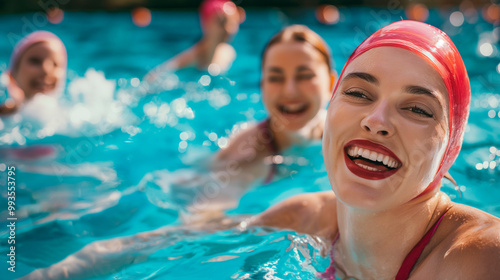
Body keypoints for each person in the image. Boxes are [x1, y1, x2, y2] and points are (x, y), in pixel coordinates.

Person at [18, 24, 335, 280]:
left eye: (305, 76)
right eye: (276, 78)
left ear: (332, 82)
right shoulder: (251, 152)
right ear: (262, 87)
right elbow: (200, 218)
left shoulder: (342, 133)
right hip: (179, 190)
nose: (290, 90)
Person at [251, 20, 500, 279]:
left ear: (450, 148)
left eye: (417, 109)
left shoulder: (481, 258)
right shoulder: (297, 221)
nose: (377, 121)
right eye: (359, 93)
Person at [144, 0, 244, 83]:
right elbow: (154, 75)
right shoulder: (192, 57)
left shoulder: (229, 53)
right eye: (222, 22)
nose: (228, 29)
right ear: (205, 24)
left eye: (233, 22)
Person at [0, 31, 67, 115]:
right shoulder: (5, 115)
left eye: (55, 64)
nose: (46, 70)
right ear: (12, 75)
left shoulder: (72, 116)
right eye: (35, 61)